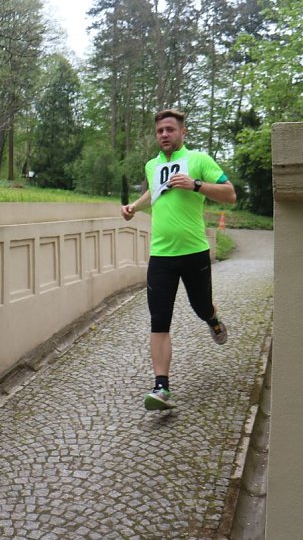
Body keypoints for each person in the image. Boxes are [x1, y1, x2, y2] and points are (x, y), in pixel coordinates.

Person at [121, 109, 236, 410]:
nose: (164, 135)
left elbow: (230, 194)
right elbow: (153, 193)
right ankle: (162, 388)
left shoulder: (199, 160)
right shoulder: (151, 165)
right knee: (159, 320)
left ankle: (212, 318)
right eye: (160, 131)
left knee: (201, 307)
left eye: (170, 129)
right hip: (160, 256)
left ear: (183, 133)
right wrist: (134, 206)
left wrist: (196, 185)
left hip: (194, 252)